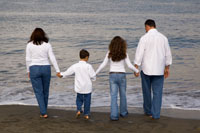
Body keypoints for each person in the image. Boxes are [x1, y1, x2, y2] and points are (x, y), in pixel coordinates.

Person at [134, 19, 172, 119]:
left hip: (146, 69)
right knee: (157, 93)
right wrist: (167, 68)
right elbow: (168, 54)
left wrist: (136, 67)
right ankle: (156, 115)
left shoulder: (144, 38)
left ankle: (148, 111)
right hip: (159, 69)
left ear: (147, 26)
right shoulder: (163, 38)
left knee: (146, 91)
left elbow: (139, 53)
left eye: (145, 28)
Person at [96, 36, 139, 121]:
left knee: (113, 96)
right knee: (123, 95)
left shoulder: (109, 53)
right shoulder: (124, 53)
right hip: (122, 75)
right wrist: (137, 70)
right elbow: (129, 65)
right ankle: (123, 113)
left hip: (112, 75)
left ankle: (114, 116)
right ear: (122, 44)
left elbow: (103, 64)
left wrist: (95, 73)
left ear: (112, 44)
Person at [26, 28, 61, 118]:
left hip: (34, 68)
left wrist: (28, 70)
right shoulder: (47, 45)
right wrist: (57, 70)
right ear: (43, 35)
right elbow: (52, 57)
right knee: (45, 91)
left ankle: (43, 112)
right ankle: (44, 110)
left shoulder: (29, 45)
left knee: (38, 92)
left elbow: (28, 59)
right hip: (46, 68)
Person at [57, 49, 96, 120]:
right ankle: (86, 114)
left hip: (79, 87)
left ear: (80, 56)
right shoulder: (89, 66)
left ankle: (78, 110)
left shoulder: (75, 66)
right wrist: (93, 79)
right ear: (87, 57)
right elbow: (93, 76)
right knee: (87, 101)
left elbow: (68, 72)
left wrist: (61, 74)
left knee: (79, 99)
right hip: (87, 87)